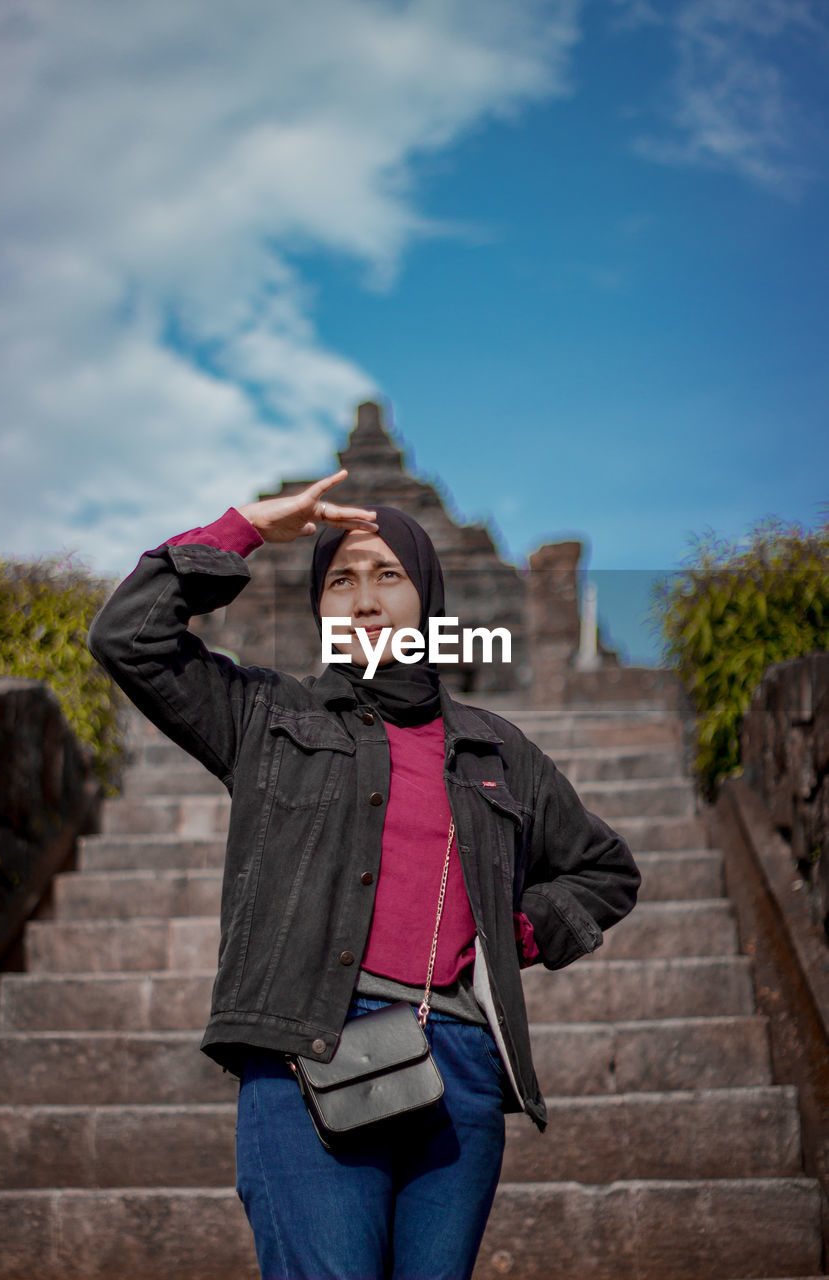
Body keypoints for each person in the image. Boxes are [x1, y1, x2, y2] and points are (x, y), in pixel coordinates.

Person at [88, 469, 641, 1280]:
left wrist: (508, 932)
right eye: (340, 580)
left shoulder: (496, 750)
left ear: (430, 598)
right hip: (304, 1057)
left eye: (389, 575)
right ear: (318, 609)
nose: (365, 597)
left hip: (460, 1065)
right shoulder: (266, 717)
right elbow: (128, 637)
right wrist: (243, 526)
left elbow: (604, 870)